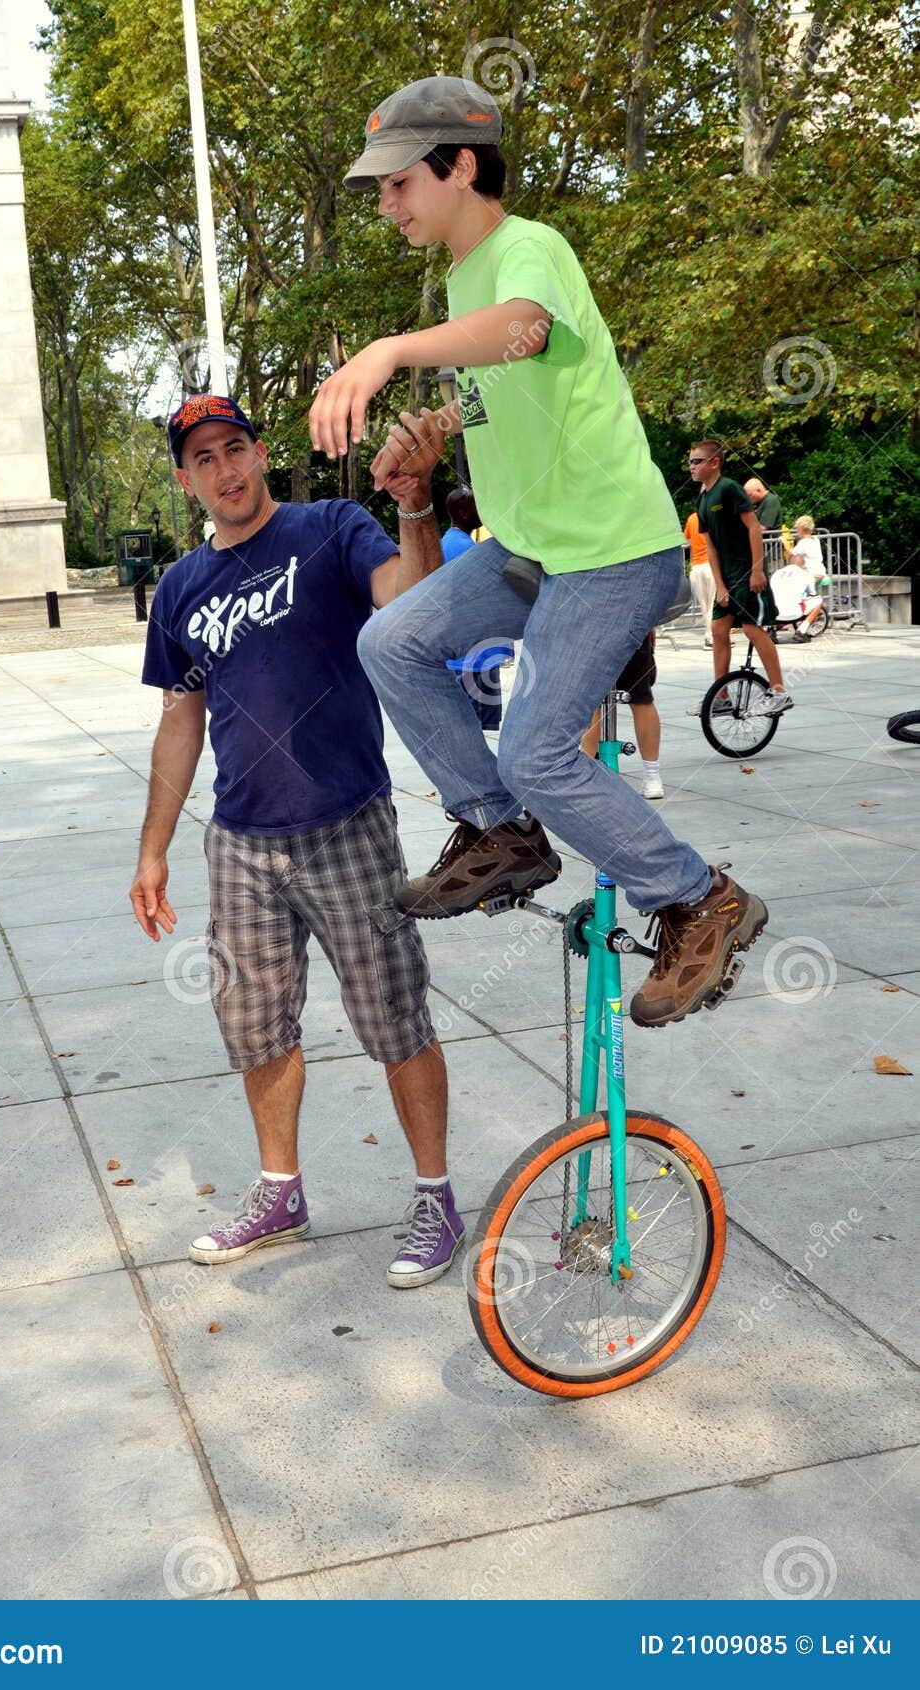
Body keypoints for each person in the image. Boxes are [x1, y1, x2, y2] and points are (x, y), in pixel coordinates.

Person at [307, 75, 769, 1030]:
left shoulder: (528, 250)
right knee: (388, 641)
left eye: (397, 182)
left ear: (459, 165)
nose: (385, 203)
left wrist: (390, 350)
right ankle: (499, 831)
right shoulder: (459, 281)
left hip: (609, 552)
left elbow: (523, 333)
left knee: (537, 748)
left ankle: (696, 897)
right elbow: (512, 391)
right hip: (529, 552)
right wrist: (428, 438)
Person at [129, 394, 464, 1288]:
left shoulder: (329, 529)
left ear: (259, 452)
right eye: (203, 459)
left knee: (393, 1016)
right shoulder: (180, 588)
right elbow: (179, 719)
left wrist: (416, 503)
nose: (225, 470)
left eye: (235, 449)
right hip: (239, 843)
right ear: (184, 477)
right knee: (252, 1026)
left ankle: (434, 1195)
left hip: (347, 822)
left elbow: (412, 600)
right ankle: (281, 1190)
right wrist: (153, 847)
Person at [686, 441, 793, 716]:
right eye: (690, 461)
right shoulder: (702, 499)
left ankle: (779, 691)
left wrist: (757, 570)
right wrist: (720, 584)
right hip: (727, 575)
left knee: (752, 628)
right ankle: (721, 697)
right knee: (719, 630)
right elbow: (710, 546)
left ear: (715, 462)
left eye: (697, 461)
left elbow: (754, 527)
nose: (692, 466)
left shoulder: (730, 489)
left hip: (747, 571)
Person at [441, 487, 503, 729]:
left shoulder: (453, 543)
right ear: (465, 513)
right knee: (475, 728)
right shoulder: (464, 549)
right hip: (475, 659)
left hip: (471, 656)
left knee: (470, 728)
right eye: (477, 505)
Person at [582, 632, 664, 799]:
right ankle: (652, 776)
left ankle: (581, 779)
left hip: (593, 629)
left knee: (592, 701)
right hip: (632, 626)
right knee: (641, 699)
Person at [778, 514, 827, 638]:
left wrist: (784, 542)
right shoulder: (814, 539)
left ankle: (789, 621)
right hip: (819, 571)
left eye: (797, 529)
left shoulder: (804, 543)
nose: (796, 532)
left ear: (801, 529)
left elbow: (792, 555)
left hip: (811, 573)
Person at [683, 508, 715, 647]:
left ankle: (710, 636)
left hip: (696, 566)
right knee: (713, 604)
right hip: (711, 564)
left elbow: (687, 538)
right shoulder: (714, 516)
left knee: (704, 605)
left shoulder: (692, 518)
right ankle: (711, 637)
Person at [441, 487, 478, 561]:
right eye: (476, 506)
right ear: (464, 514)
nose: (480, 511)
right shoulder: (465, 546)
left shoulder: (448, 540)